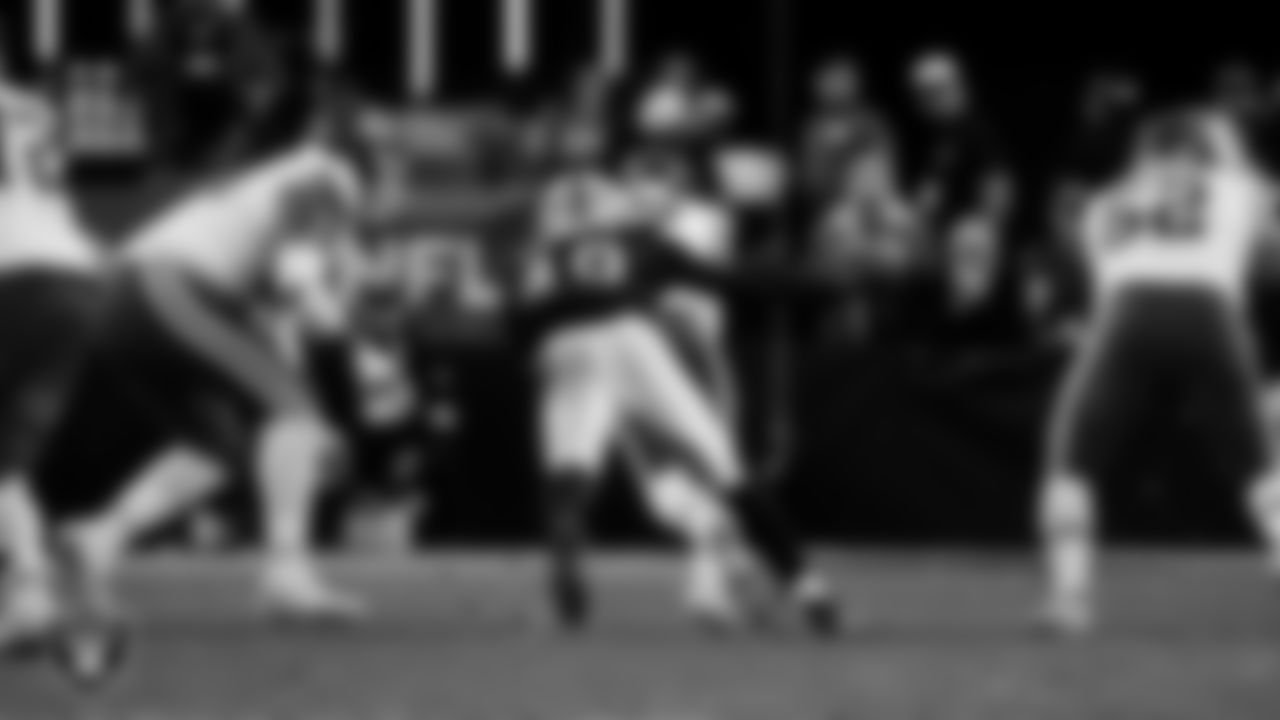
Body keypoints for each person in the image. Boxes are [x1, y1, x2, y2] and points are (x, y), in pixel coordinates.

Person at [55, 87, 374, 647]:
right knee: (292, 409)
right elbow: (297, 278)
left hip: (119, 299)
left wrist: (299, 413)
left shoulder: (272, 179)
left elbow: (269, 322)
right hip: (166, 286)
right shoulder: (327, 172)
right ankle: (286, 572)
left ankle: (101, 536)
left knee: (219, 446)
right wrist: (326, 326)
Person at [524, 148, 840, 633]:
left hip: (565, 340)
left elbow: (520, 318)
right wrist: (804, 281)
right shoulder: (642, 240)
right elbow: (725, 280)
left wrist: (541, 345)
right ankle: (805, 584)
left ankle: (568, 538)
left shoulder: (547, 251)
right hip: (632, 335)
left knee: (570, 476)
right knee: (726, 469)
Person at [1038, 110, 1280, 634]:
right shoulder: (1239, 185)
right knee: (1259, 463)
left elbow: (1101, 283)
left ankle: (1070, 600)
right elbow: (1267, 255)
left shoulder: (1107, 201)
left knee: (1070, 460)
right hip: (1213, 311)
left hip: (1127, 311)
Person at [0, 52, 111, 651]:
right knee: (6, 452)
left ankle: (31, 585)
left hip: (10, 274)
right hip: (76, 277)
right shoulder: (35, 108)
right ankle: (31, 593)